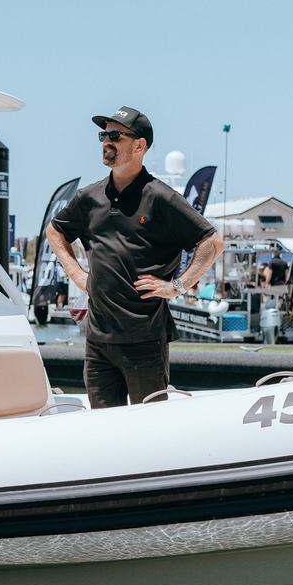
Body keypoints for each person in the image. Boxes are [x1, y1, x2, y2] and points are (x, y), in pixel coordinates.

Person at [46, 105, 224, 408]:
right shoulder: (89, 198)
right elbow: (55, 231)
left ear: (139, 145)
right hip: (98, 341)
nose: (106, 142)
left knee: (149, 433)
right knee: (103, 431)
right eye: (103, 135)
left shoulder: (160, 197)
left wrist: (177, 286)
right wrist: (77, 275)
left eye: (115, 135)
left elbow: (212, 242)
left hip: (144, 341)